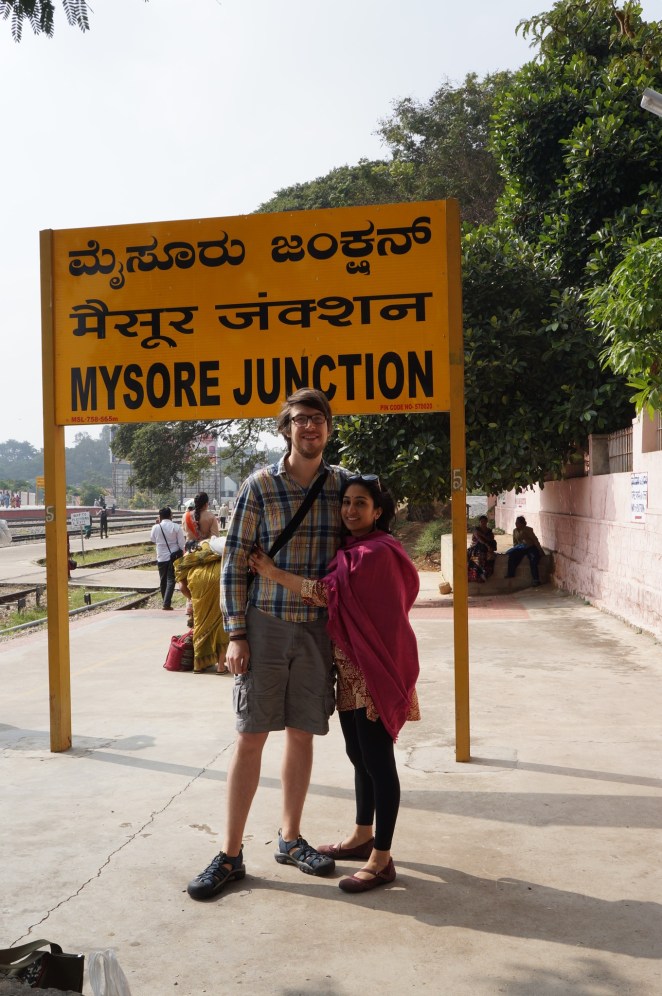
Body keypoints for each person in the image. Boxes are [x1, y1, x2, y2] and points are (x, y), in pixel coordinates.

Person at [186, 387, 349, 901]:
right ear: (286, 429)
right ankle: (230, 853)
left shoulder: (341, 486)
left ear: (329, 428)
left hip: (317, 630)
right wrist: (236, 633)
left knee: (302, 734)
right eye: (300, 419)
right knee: (251, 735)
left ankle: (290, 838)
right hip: (265, 625)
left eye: (318, 419)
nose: (310, 427)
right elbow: (235, 562)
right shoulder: (260, 486)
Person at [248, 475, 420, 893]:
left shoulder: (377, 553)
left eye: (360, 503)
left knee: (379, 763)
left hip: (374, 670)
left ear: (378, 511)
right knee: (358, 756)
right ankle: (362, 836)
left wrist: (271, 572)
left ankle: (382, 859)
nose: (350, 510)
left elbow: (327, 594)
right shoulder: (350, 550)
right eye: (346, 502)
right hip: (349, 668)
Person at [175, 537, 229, 673]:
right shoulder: (216, 550)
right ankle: (221, 666)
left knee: (199, 625)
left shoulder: (189, 556)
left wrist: (193, 599)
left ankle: (198, 665)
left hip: (197, 582)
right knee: (220, 624)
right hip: (219, 578)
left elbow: (182, 587)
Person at [150, 507, 185, 611]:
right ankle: (166, 603)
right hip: (173, 556)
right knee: (171, 579)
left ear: (160, 516)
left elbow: (152, 539)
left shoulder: (155, 527)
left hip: (161, 556)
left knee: (163, 579)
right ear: (171, 515)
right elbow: (182, 544)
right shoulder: (176, 527)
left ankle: (165, 601)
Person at [506, 515, 544, 586]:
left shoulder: (528, 530)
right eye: (516, 522)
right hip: (521, 548)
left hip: (530, 547)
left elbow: (535, 540)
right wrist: (516, 549)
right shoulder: (515, 531)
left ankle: (536, 580)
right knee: (512, 554)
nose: (516, 524)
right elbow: (515, 542)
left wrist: (540, 550)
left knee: (533, 559)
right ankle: (510, 573)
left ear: (522, 523)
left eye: (518, 523)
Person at [467, 514, 497, 583]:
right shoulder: (476, 529)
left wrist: (482, 535)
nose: (483, 523)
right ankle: (477, 574)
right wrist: (486, 543)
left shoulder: (489, 531)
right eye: (481, 521)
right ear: (479, 522)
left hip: (486, 548)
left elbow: (491, 539)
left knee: (489, 558)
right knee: (478, 550)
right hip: (476, 547)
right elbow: (479, 539)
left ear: (487, 522)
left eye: (484, 521)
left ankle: (484, 574)